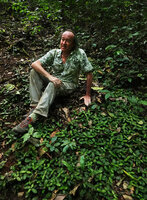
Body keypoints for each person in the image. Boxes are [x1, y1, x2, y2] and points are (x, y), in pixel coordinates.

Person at [13, 30, 93, 133]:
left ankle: (34, 116)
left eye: (67, 41)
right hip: (54, 81)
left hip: (68, 85)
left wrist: (87, 94)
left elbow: (89, 73)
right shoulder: (55, 53)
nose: (64, 43)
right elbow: (35, 64)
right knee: (34, 72)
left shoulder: (79, 54)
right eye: (62, 39)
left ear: (73, 43)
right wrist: (50, 77)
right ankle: (34, 106)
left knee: (53, 84)